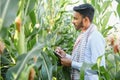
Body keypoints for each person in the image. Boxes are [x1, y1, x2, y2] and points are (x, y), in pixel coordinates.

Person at [55, 3, 105, 80]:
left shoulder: (95, 37)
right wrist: (65, 55)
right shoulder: (83, 36)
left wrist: (72, 64)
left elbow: (98, 68)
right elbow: (82, 61)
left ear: (86, 20)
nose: (73, 21)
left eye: (75, 18)